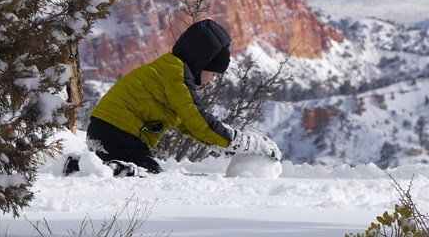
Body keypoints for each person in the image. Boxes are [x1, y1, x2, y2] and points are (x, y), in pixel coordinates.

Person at [71, 19, 281, 177]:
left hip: (107, 131)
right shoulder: (176, 75)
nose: (211, 82)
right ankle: (80, 167)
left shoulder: (171, 69)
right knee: (147, 177)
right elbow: (199, 122)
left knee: (146, 172)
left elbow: (188, 125)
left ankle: (85, 167)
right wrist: (244, 142)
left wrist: (224, 146)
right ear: (202, 62)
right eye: (213, 74)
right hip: (118, 134)